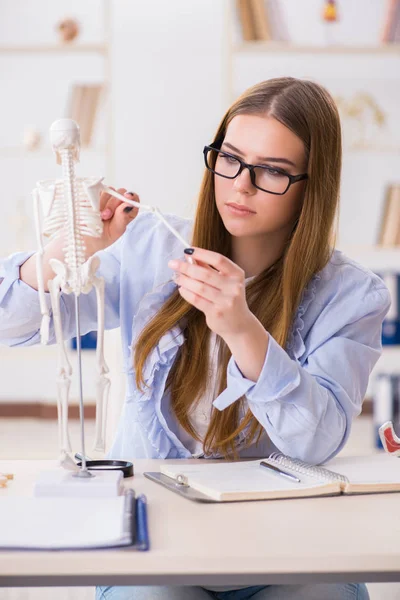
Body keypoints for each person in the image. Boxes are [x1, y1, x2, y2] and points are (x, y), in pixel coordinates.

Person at [0, 77, 389, 599]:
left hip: (287, 546)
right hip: (157, 542)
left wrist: (243, 329)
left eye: (272, 170)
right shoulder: (149, 246)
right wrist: (69, 250)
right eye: (229, 158)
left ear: (312, 186)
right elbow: (10, 323)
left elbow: (316, 442)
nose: (240, 185)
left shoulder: (352, 294)